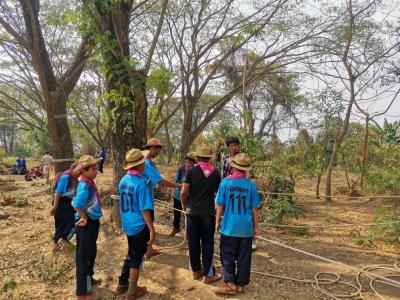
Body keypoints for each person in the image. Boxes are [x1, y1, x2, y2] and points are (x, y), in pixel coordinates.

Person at [214, 153, 261, 295]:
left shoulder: (225, 183)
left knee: (227, 254)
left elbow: (220, 205)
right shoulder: (251, 186)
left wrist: (217, 221)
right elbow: (254, 209)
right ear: (246, 169)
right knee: (244, 256)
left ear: (233, 167)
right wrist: (256, 227)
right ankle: (240, 284)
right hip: (245, 228)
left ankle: (230, 283)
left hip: (229, 227)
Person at [115, 149, 155, 298]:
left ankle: (122, 284)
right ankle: (132, 291)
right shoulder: (141, 184)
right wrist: (151, 228)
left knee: (131, 254)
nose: (144, 163)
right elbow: (145, 209)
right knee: (136, 257)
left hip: (128, 224)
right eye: (142, 162)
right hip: (139, 225)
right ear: (139, 165)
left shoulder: (123, 180)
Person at [181, 144, 222, 284]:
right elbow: (219, 194)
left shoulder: (191, 171)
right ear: (209, 158)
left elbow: (184, 192)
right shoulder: (216, 173)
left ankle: (196, 270)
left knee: (193, 241)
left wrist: (184, 205)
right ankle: (208, 274)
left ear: (197, 158)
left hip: (192, 212)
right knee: (207, 243)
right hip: (208, 213)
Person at [141, 138, 182, 258]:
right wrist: (179, 185)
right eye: (158, 149)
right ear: (153, 148)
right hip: (145, 198)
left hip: (146, 194)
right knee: (147, 224)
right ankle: (147, 250)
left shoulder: (146, 160)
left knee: (147, 223)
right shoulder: (147, 163)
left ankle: (149, 248)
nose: (159, 152)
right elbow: (160, 181)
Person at [72, 155, 102, 299]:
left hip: (92, 222)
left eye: (97, 168)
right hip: (86, 225)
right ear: (84, 171)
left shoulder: (88, 182)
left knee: (91, 252)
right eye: (94, 169)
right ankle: (82, 291)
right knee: (83, 256)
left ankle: (89, 277)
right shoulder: (85, 185)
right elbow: (77, 204)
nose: (96, 171)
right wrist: (84, 217)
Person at [50, 162, 79, 252]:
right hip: (61, 202)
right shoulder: (66, 178)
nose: (81, 173)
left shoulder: (75, 180)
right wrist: (55, 206)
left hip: (68, 203)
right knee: (66, 222)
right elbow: (58, 192)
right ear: (75, 170)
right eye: (80, 171)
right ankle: (59, 241)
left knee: (67, 223)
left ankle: (60, 241)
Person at [168, 152, 197, 237]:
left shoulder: (195, 172)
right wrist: (174, 191)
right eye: (186, 162)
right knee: (177, 212)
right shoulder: (181, 169)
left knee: (188, 215)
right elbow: (175, 181)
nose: (187, 165)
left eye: (190, 163)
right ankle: (176, 227)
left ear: (194, 163)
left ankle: (189, 233)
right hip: (178, 194)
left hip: (189, 197)